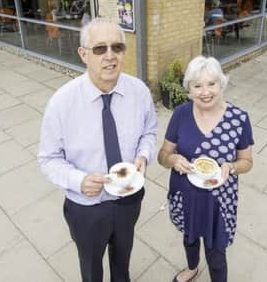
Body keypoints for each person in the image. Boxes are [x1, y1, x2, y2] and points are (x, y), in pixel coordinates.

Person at [38, 17, 157, 282]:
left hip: (129, 199)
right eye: (100, 48)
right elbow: (48, 159)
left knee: (122, 259)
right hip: (87, 207)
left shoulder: (139, 92)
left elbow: (149, 131)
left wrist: (143, 155)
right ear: (83, 54)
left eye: (117, 47)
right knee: (91, 266)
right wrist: (78, 180)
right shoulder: (62, 103)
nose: (110, 56)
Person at [158, 56, 254, 282]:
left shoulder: (238, 119)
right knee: (189, 237)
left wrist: (231, 166)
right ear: (189, 89)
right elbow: (163, 155)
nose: (205, 92)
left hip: (219, 199)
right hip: (186, 194)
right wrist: (172, 160)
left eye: (211, 83)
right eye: (197, 85)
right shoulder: (181, 114)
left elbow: (247, 162)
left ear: (221, 84)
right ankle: (192, 268)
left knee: (216, 252)